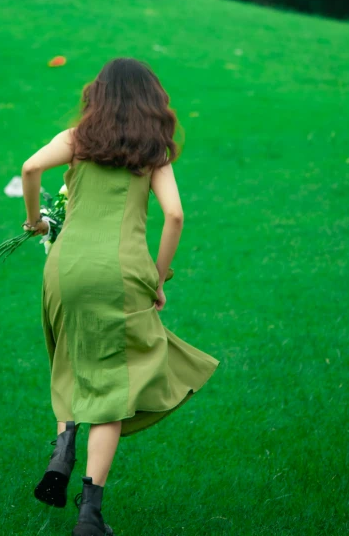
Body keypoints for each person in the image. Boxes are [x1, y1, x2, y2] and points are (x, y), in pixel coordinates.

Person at [20, 57, 220, 536]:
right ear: (152, 103)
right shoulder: (153, 152)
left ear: (98, 95)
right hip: (122, 274)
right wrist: (158, 276)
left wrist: (35, 222)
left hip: (65, 269)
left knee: (70, 357)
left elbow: (29, 167)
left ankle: (63, 447)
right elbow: (174, 216)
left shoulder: (77, 141)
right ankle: (90, 513)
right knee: (112, 386)